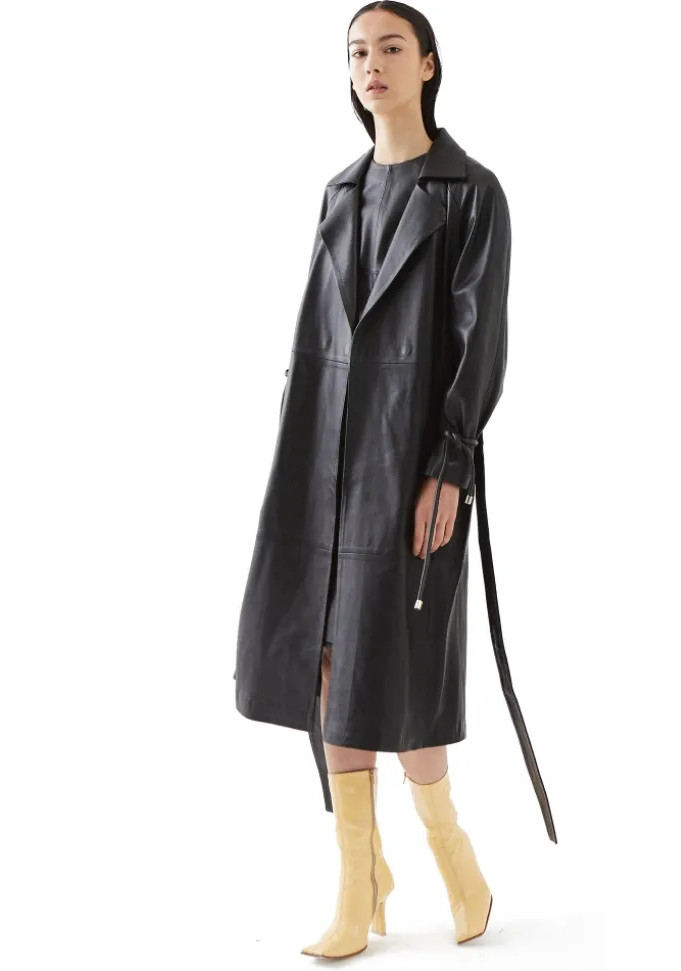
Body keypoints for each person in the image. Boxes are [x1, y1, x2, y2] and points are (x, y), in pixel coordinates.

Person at [232, 1, 556, 958]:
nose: (370, 65)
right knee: (329, 664)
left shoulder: (471, 194)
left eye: (389, 49)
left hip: (408, 462)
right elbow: (316, 329)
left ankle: (455, 860)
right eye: (357, 52)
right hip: (321, 459)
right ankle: (357, 883)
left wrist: (449, 465)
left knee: (398, 669)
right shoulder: (340, 193)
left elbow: (479, 341)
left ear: (428, 64)